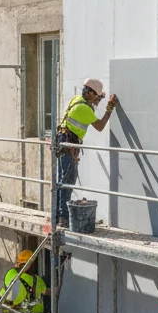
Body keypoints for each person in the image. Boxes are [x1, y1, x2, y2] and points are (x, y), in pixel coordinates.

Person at [55, 79, 116, 226]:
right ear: (89, 93)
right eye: (96, 96)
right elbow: (100, 126)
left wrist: (101, 98)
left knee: (62, 180)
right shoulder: (84, 109)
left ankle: (58, 215)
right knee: (67, 180)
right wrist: (109, 110)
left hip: (63, 140)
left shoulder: (77, 99)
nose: (96, 100)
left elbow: (91, 106)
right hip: (68, 142)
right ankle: (62, 217)